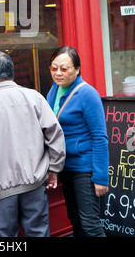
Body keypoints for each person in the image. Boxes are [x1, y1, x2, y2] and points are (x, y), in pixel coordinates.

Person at [0, 51, 66, 237]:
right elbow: (55, 135)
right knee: (39, 233)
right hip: (34, 182)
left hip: (0, 189)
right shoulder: (35, 98)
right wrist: (54, 169)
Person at [47, 46, 109, 237]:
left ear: (77, 69)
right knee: (75, 219)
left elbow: (100, 137)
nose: (58, 73)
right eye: (54, 68)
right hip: (65, 167)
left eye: (64, 69)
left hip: (84, 168)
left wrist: (100, 177)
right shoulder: (54, 90)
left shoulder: (88, 94)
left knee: (90, 225)